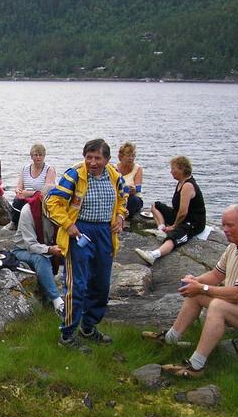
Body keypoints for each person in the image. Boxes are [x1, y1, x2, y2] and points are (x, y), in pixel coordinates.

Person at [156, 205, 238, 378]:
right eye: (223, 225)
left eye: (230, 225)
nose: (225, 230)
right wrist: (196, 281)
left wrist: (202, 288)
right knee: (197, 293)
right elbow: (216, 275)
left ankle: (196, 366)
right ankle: (170, 339)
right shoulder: (235, 246)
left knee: (218, 306)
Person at [45, 139, 127, 349]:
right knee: (77, 285)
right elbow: (51, 202)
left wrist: (119, 216)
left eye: (97, 158)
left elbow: (122, 197)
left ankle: (89, 327)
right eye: (88, 157)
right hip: (80, 233)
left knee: (101, 284)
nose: (92, 162)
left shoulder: (113, 175)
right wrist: (68, 224)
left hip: (105, 234)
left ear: (106, 160)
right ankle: (67, 334)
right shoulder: (74, 175)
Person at [135, 156, 205, 267]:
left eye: (173, 169)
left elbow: (183, 212)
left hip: (193, 222)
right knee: (156, 206)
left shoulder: (188, 185)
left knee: (174, 236)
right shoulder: (181, 182)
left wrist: (174, 226)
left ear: (181, 169)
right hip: (180, 215)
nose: (171, 171)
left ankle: (153, 255)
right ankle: (161, 229)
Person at [11, 193, 64, 315]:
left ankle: (82, 297)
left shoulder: (60, 209)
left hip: (50, 246)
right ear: (41, 198)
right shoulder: (28, 210)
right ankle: (58, 302)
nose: (53, 205)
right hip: (22, 250)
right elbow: (31, 245)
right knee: (41, 259)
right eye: (50, 201)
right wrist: (50, 250)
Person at [7, 143, 57, 230]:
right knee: (17, 200)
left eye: (40, 155)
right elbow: (19, 186)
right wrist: (18, 190)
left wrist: (30, 193)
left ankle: (22, 225)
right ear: (31, 156)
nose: (38, 157)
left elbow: (48, 191)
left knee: (24, 201)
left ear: (44, 156)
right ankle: (15, 223)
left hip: (41, 198)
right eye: (36, 155)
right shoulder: (25, 168)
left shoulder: (49, 169)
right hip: (27, 196)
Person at [115, 141, 143, 219]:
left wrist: (133, 190)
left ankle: (124, 218)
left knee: (132, 200)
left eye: (133, 156)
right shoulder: (114, 169)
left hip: (133, 197)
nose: (131, 158)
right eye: (128, 155)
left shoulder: (137, 168)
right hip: (120, 197)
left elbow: (138, 189)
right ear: (121, 156)